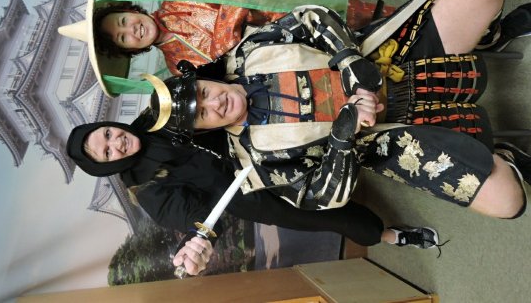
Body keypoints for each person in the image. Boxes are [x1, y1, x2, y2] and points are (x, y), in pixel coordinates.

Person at [148, 0, 529, 221]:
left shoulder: (248, 52)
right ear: (203, 130)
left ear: (204, 80)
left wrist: (348, 61)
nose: (215, 102)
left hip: (386, 56)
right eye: (202, 113)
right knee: (508, 202)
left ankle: (490, 38)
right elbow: (321, 196)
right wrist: (342, 143)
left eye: (204, 92)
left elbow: (309, 17)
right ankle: (503, 155)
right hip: (391, 139)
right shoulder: (256, 161)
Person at [66, 111, 443, 277]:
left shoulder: (156, 113)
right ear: (107, 166)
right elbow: (197, 220)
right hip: (253, 194)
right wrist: (197, 243)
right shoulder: (147, 191)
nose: (117, 143)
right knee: (328, 216)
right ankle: (390, 235)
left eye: (108, 134)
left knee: (338, 142)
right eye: (107, 152)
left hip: (260, 141)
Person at [57, 0, 352, 96]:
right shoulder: (177, 67)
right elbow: (226, 77)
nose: (132, 30)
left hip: (290, 15)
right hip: (282, 64)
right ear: (130, 50)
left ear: (131, 10)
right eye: (123, 39)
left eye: (123, 21)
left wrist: (226, 40)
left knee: (362, 26)